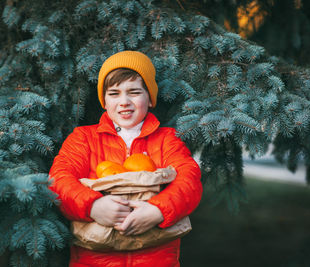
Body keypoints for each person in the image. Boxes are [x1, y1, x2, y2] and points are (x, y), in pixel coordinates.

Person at [49, 50, 202, 266]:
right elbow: (59, 180)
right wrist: (93, 206)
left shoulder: (167, 140)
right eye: (114, 93)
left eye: (134, 92)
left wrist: (158, 209)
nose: (124, 101)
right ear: (104, 101)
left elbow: (189, 180)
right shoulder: (83, 138)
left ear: (150, 98)